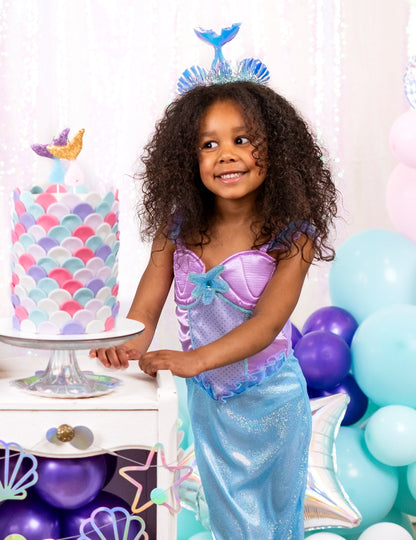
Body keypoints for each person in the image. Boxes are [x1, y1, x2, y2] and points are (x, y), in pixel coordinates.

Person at [90, 33, 338, 540]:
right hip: (211, 404)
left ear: (278, 150)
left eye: (243, 140)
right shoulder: (178, 226)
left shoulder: (293, 235)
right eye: (209, 144)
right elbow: (149, 302)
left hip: (273, 403)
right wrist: (128, 343)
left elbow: (267, 325)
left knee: (273, 522)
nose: (226, 155)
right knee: (231, 521)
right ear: (188, 161)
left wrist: (194, 360)